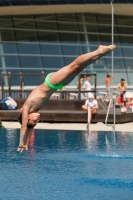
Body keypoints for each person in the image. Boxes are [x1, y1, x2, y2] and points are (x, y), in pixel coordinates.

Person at [17, 44, 116, 152]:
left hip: (51, 82)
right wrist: (26, 143)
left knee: (73, 66)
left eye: (34, 121)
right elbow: (30, 129)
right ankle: (100, 54)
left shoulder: (27, 107)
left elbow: (24, 127)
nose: (37, 120)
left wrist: (21, 143)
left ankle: (98, 51)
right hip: (58, 85)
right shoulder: (35, 110)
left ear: (28, 117)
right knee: (78, 69)